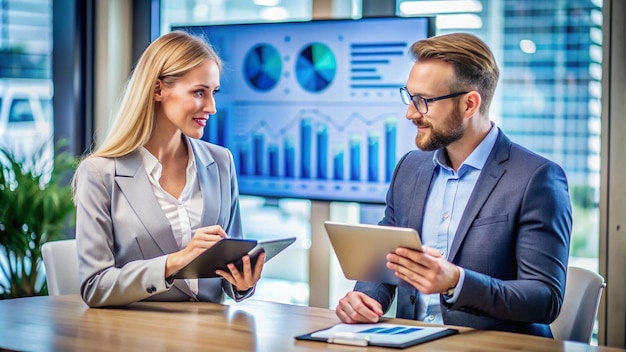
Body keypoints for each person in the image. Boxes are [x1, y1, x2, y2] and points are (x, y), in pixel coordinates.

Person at [335, 33, 572, 337]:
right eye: (409, 98)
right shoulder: (409, 168)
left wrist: (456, 282)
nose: (410, 113)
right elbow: (387, 262)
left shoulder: (536, 177)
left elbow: (545, 299)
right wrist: (365, 300)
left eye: (423, 102)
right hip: (410, 340)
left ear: (470, 104)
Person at [72, 31, 265, 307]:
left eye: (214, 93)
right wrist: (176, 261)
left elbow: (228, 275)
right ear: (158, 90)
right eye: (199, 92)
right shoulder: (100, 174)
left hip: (211, 337)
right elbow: (94, 287)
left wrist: (243, 282)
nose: (211, 107)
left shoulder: (221, 162)